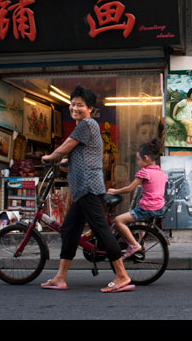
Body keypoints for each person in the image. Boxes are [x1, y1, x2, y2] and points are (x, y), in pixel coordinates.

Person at [41, 85, 134, 293]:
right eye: (72, 104)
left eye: (80, 105)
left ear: (90, 108)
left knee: (101, 230)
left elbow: (66, 146)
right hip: (82, 189)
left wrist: (51, 157)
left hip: (89, 188)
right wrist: (65, 162)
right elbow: (78, 154)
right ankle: (60, 277)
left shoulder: (86, 124)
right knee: (69, 230)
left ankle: (122, 275)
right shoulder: (87, 127)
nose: (75, 108)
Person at [107, 138, 168, 258]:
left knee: (118, 221)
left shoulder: (144, 172)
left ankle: (135, 245)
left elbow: (130, 189)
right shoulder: (161, 173)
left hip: (147, 208)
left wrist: (114, 191)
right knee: (140, 220)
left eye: (139, 159)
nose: (138, 162)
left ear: (146, 158)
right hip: (159, 207)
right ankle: (141, 242)